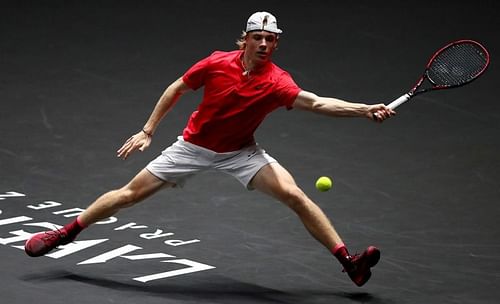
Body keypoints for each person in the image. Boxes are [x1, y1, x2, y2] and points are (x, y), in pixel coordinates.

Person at [25, 11, 395, 287]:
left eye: (271, 39)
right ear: (245, 40)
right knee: (127, 195)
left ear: (277, 44)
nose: (264, 44)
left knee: (294, 194)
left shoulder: (278, 82)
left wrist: (364, 110)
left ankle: (350, 262)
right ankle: (65, 233)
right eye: (258, 38)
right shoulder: (217, 63)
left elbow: (315, 103)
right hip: (192, 147)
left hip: (241, 152)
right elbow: (177, 88)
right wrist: (148, 130)